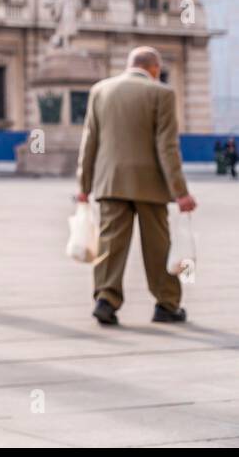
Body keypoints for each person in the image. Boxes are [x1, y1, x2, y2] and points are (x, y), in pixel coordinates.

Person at [77, 46, 195, 326]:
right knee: (158, 247)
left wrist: (84, 185)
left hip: (110, 182)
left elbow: (89, 142)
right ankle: (166, 304)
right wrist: (180, 192)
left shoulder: (101, 90)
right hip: (150, 185)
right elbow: (167, 147)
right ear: (155, 68)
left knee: (110, 244)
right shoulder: (162, 93)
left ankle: (105, 300)